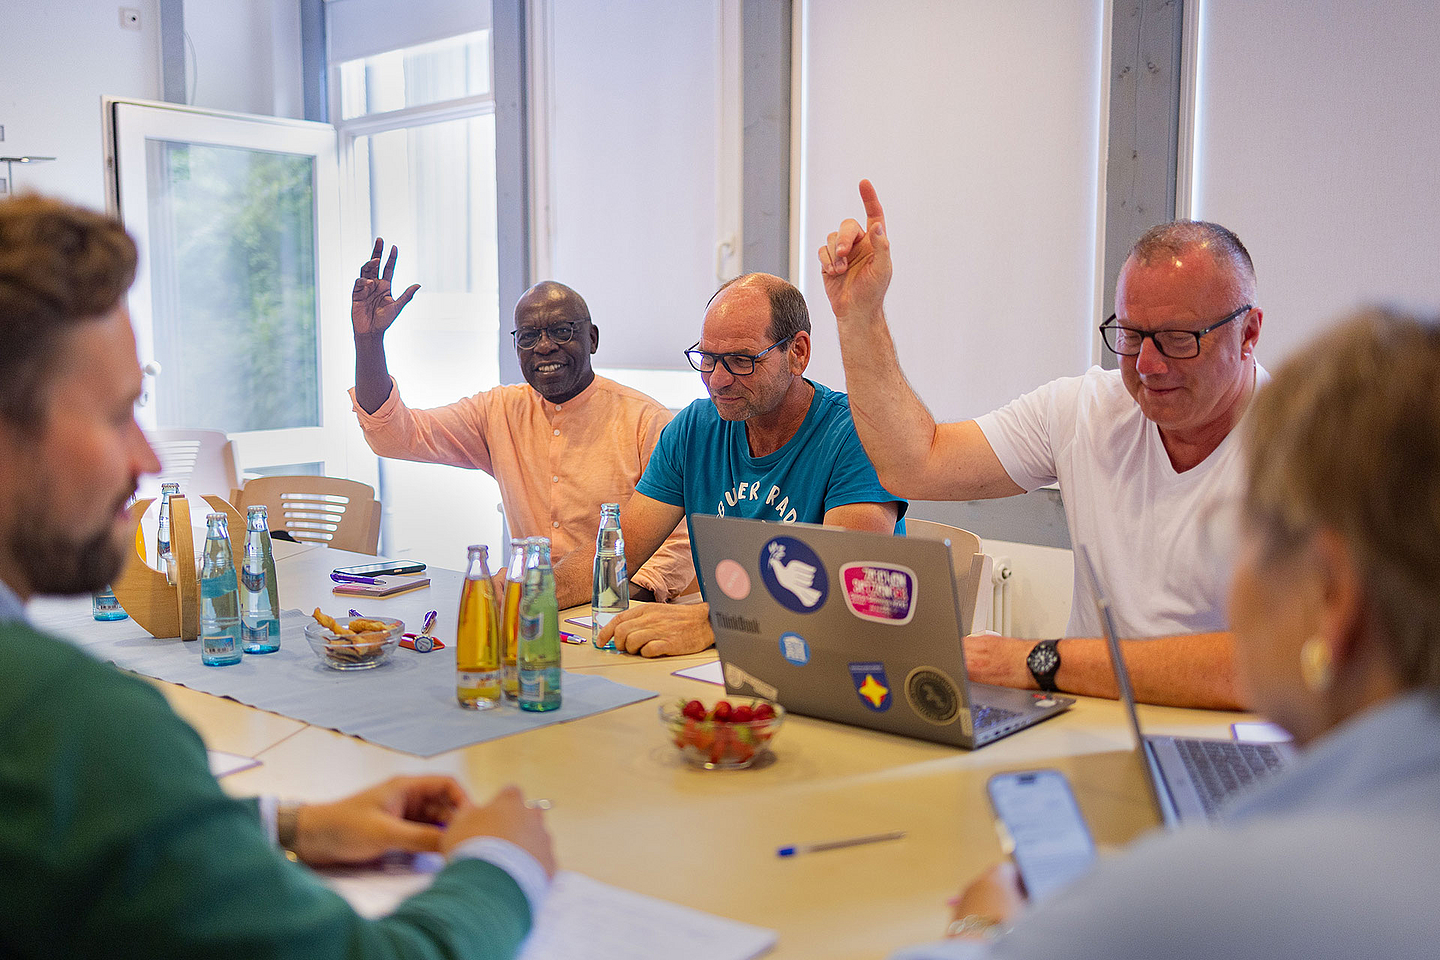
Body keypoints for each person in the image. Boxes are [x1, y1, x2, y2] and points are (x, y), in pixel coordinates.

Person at [0, 194, 554, 958]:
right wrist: (504, 863)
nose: (149, 460)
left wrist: (287, 825)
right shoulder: (67, 722)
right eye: (118, 413)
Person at [893, 307, 1440, 960]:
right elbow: (918, 460)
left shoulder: (1223, 895)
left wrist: (982, 928)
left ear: (1332, 596)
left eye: (1241, 538)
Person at [821, 180, 1265, 709]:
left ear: (1248, 334)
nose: (1147, 364)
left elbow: (1262, 666)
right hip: (1088, 723)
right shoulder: (1084, 410)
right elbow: (916, 465)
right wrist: (860, 318)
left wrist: (1037, 659)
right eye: (1130, 335)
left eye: (1177, 339)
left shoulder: (1306, 452)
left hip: (1225, 749)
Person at [574, 272, 906, 657]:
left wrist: (709, 620)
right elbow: (620, 550)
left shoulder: (858, 433)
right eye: (707, 359)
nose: (717, 380)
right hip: (736, 649)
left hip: (841, 657)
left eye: (740, 361)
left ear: (798, 352)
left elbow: (844, 581)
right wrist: (524, 588)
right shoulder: (694, 429)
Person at [349, 241, 692, 606]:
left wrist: (607, 597)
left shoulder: (645, 420)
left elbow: (681, 541)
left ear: (591, 339)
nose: (544, 347)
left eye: (561, 331)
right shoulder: (498, 411)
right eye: (528, 337)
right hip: (534, 610)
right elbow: (395, 436)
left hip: (623, 609)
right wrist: (368, 342)